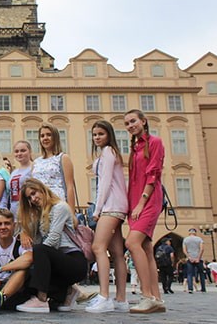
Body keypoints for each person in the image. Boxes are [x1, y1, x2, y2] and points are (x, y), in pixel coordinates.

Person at [14, 178, 88, 313]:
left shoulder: (60, 207)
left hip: (74, 261)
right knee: (29, 282)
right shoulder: (40, 214)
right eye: (29, 197)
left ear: (42, 190)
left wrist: (35, 258)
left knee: (40, 251)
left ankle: (41, 299)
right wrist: (23, 231)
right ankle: (68, 291)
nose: (33, 198)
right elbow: (36, 241)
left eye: (34, 193)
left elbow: (53, 240)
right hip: (57, 263)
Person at [124, 109, 166, 313]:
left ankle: (147, 295)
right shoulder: (134, 147)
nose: (130, 125)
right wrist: (130, 205)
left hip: (148, 200)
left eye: (133, 121)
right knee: (147, 249)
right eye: (127, 123)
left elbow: (153, 175)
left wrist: (141, 203)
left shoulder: (155, 142)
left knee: (131, 243)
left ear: (143, 121)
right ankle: (156, 298)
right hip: (134, 202)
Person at [85, 120, 130, 313]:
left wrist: (97, 209)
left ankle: (104, 296)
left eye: (101, 134)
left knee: (98, 247)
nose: (97, 138)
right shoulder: (110, 153)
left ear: (109, 135)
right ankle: (121, 299)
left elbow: (104, 184)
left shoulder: (108, 153)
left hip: (111, 206)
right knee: (118, 253)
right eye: (94, 134)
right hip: (117, 205)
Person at [31, 123, 75, 210]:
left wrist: (71, 212)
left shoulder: (63, 158)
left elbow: (69, 186)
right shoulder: (36, 162)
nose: (45, 138)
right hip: (39, 206)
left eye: (49, 135)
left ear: (55, 137)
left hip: (57, 204)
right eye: (42, 136)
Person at [8, 140, 33, 218]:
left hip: (29, 211)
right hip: (14, 212)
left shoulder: (34, 168)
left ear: (30, 151)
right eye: (16, 151)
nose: (19, 153)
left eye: (23, 151)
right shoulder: (14, 172)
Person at [183, 228, 206, 293]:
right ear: (195, 233)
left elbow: (184, 250)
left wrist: (189, 257)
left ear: (189, 232)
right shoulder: (199, 239)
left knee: (189, 274)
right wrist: (198, 258)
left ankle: (190, 288)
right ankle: (203, 288)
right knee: (201, 274)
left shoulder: (186, 239)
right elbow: (202, 249)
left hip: (190, 259)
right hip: (199, 259)